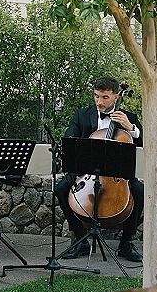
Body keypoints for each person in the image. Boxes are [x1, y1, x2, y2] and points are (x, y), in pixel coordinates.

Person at [55, 76, 143, 262]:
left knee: (139, 190)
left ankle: (126, 243)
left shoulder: (129, 118)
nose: (99, 102)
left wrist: (131, 129)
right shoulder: (82, 115)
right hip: (85, 173)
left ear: (116, 96)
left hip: (118, 175)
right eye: (96, 96)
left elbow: (145, 146)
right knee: (61, 188)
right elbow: (70, 140)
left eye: (104, 97)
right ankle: (80, 240)